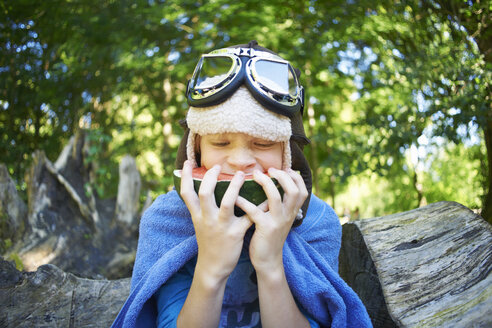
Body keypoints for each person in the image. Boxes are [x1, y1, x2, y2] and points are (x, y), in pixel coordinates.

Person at [112, 41, 372, 328]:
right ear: (194, 149)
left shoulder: (318, 222)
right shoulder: (165, 221)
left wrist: (271, 265)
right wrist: (212, 266)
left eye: (262, 143)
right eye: (220, 142)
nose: (239, 160)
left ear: (288, 153)